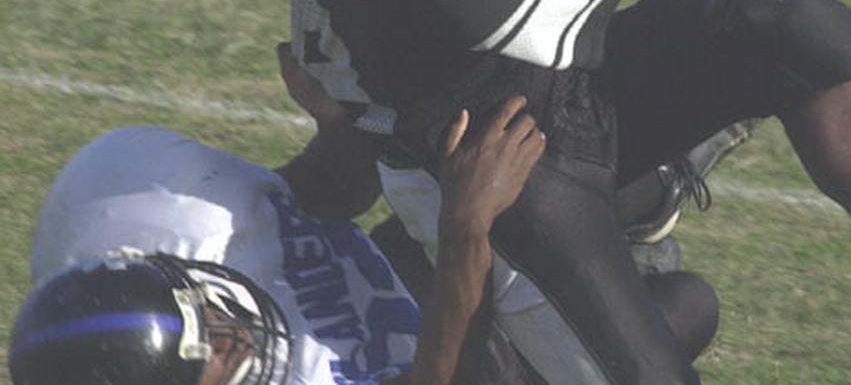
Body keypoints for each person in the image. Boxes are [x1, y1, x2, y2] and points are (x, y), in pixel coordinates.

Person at [259, 0, 851, 382]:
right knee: (668, 345)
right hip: (492, 179)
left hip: (548, 79)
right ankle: (515, 318)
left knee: (795, 35)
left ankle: (646, 191)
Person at [8, 46, 718, 384]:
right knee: (685, 308)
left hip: (388, 283)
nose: (234, 327)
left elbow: (319, 194)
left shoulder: (121, 191)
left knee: (501, 158)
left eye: (204, 306)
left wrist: (338, 116)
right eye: (218, 354)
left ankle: (635, 193)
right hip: (450, 362)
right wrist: (464, 228)